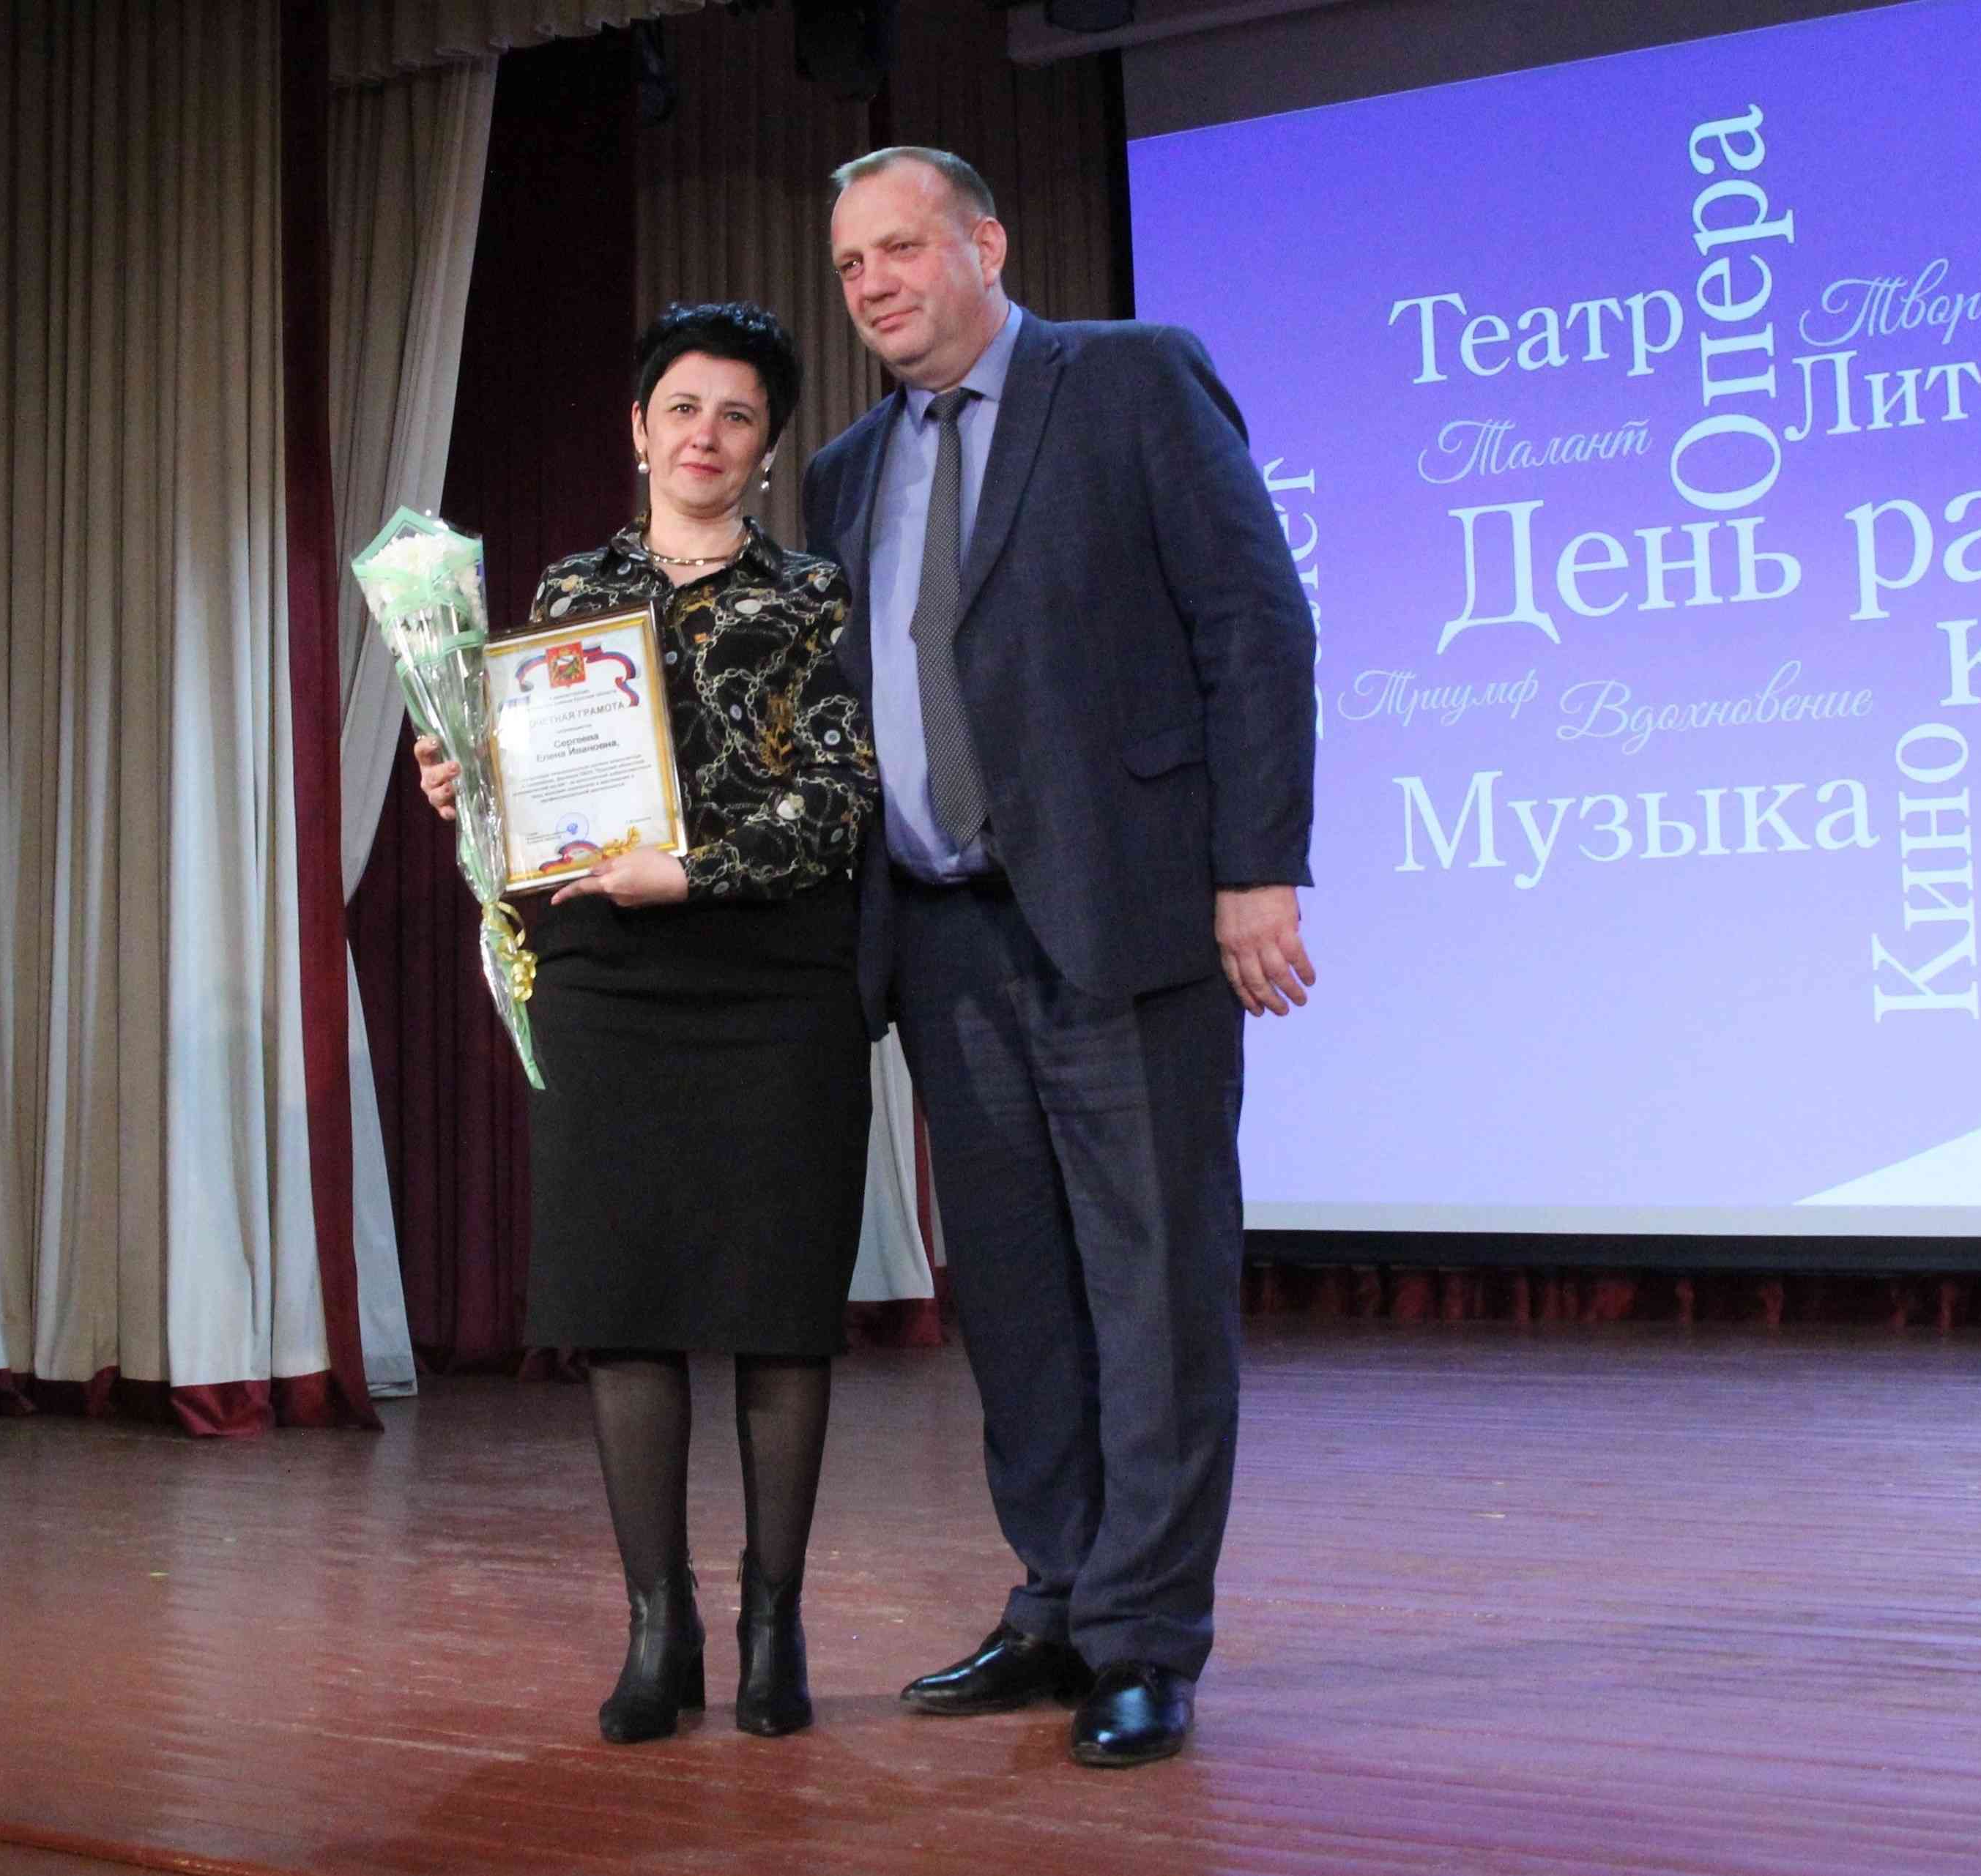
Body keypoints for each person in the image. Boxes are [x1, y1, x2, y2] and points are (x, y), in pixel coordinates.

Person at [805, 148, 1318, 1768]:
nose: (874, 285)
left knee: (1152, 1290)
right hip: (939, 938)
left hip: (1129, 917)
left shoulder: (1130, 379)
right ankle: (1057, 1599)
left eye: (900, 249)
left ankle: (1145, 1637)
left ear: (986, 242)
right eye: (851, 265)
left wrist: (1255, 870)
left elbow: (1254, 627)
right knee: (1020, 1303)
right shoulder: (841, 472)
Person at [415, 301, 874, 1745]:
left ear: (768, 444)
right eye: (682, 408)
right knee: (621, 1304)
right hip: (608, 983)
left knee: (778, 1309)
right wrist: (468, 787)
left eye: (736, 415)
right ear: (637, 428)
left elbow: (842, 802)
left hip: (776, 981)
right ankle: (655, 1627)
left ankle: (772, 1622)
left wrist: (696, 869)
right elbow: (539, 801)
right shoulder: (567, 591)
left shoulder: (818, 594)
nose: (704, 436)